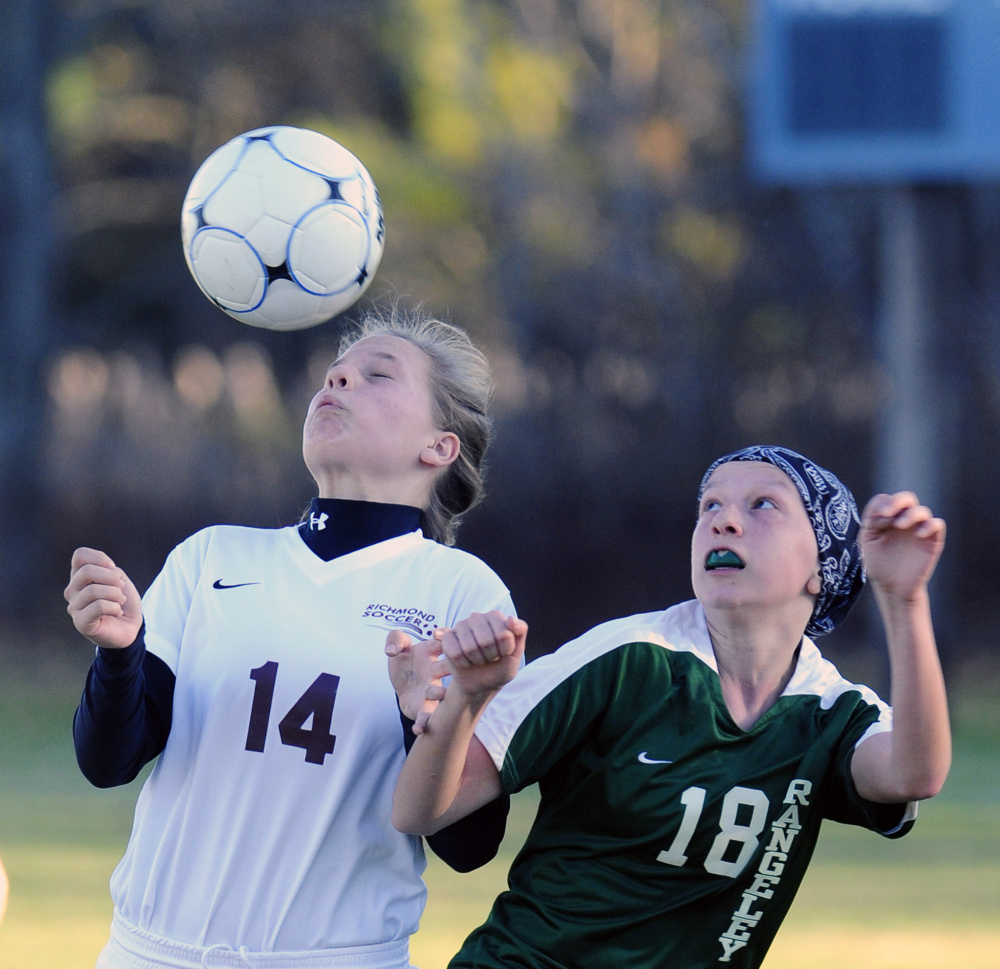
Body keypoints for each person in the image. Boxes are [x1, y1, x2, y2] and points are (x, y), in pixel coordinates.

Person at [64, 308, 514, 969]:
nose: (337, 380)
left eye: (376, 375)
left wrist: (424, 716)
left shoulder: (460, 592)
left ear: (439, 447)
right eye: (335, 373)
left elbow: (470, 847)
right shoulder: (211, 557)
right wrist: (120, 653)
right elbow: (107, 763)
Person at [389, 445, 951, 969]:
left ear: (820, 569)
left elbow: (916, 773)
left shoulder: (831, 711)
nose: (723, 520)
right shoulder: (628, 659)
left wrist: (904, 599)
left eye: (763, 505)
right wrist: (458, 702)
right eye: (710, 505)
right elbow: (422, 813)